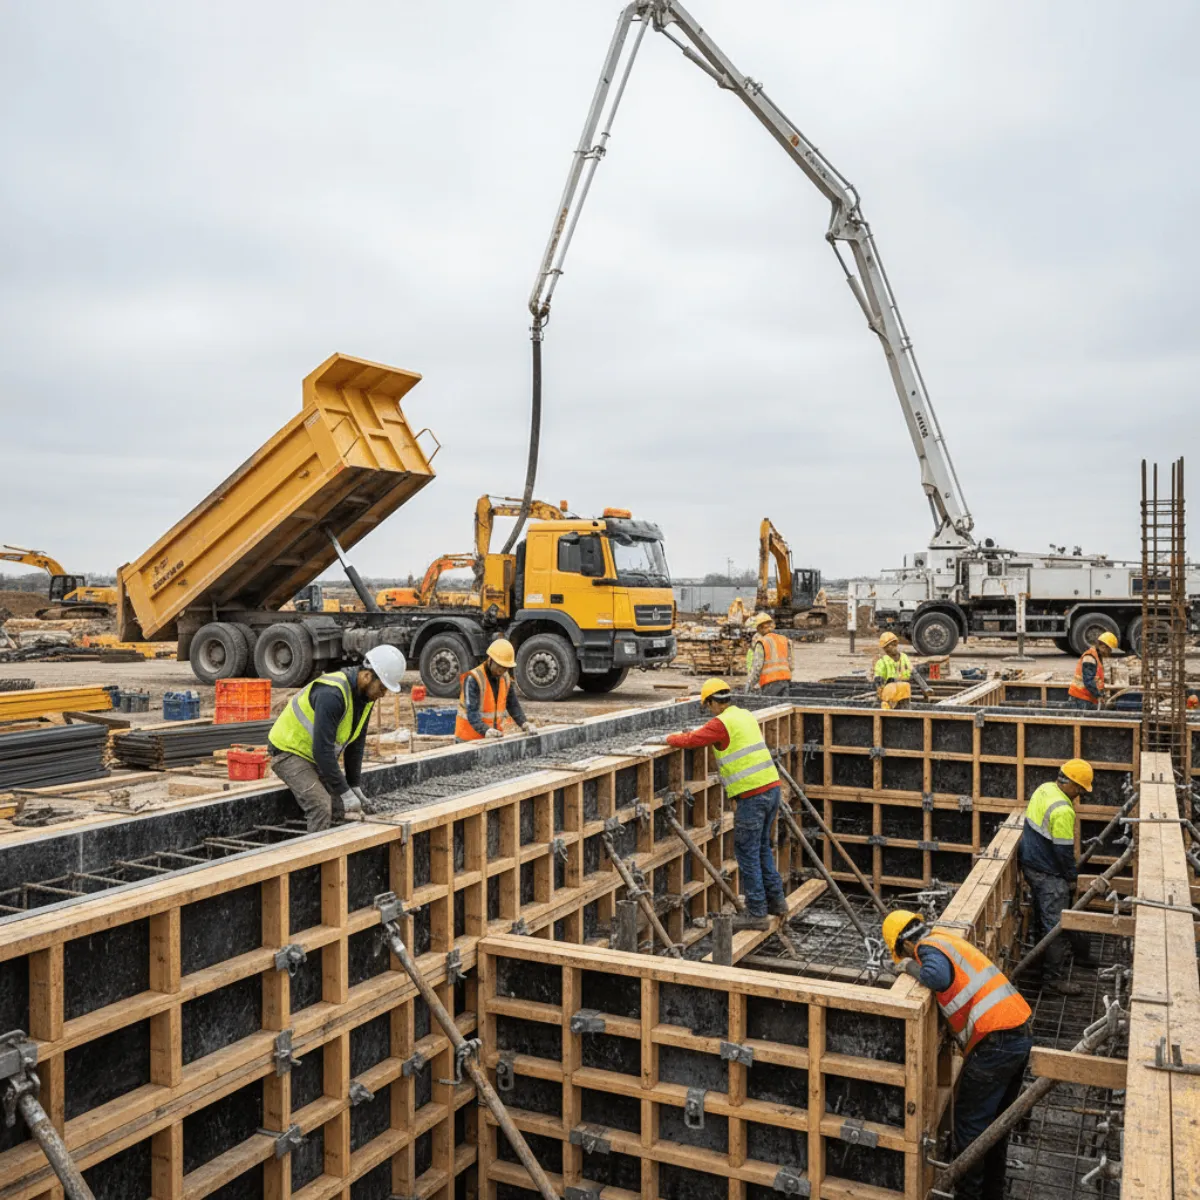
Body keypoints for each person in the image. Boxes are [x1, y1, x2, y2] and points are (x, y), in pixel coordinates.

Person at [883, 909, 1032, 1200]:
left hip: (996, 1042)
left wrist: (908, 969)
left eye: (903, 955)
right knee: (995, 1128)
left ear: (905, 944)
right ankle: (992, 1194)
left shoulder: (929, 948)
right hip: (1016, 1034)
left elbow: (935, 977)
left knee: (971, 1128)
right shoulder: (944, 939)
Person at [666, 678, 785, 930]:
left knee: (747, 852)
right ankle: (777, 901)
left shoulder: (721, 723)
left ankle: (756, 912)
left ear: (712, 702)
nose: (709, 711)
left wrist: (668, 738)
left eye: (707, 706)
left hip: (753, 796)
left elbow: (692, 740)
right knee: (762, 847)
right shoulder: (744, 715)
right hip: (772, 788)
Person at [267, 645, 406, 832]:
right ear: (366, 676)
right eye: (382, 687)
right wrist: (344, 791)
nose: (383, 694)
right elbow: (322, 751)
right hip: (288, 753)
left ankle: (333, 853)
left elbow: (356, 744)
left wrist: (354, 785)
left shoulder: (365, 698)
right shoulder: (332, 694)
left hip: (313, 754)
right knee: (321, 807)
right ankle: (314, 859)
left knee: (340, 805)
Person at [1019, 758, 1096, 995]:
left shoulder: (1044, 789)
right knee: (1057, 926)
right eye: (1081, 789)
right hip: (1048, 873)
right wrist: (1072, 878)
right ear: (1071, 784)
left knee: (1042, 918)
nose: (1081, 794)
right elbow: (1063, 852)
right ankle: (1052, 980)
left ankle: (1037, 963)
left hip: (1031, 865)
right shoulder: (1062, 810)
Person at [455, 639, 535, 741]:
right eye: (499, 666)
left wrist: (524, 723)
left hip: (491, 738)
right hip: (468, 739)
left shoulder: (505, 679)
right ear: (490, 659)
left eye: (505, 667)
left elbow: (513, 705)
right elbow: (472, 712)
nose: (501, 670)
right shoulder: (474, 678)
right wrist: (485, 730)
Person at [874, 632, 932, 707]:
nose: (890, 647)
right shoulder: (882, 661)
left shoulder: (904, 657)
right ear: (885, 649)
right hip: (890, 693)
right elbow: (879, 681)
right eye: (887, 646)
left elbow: (914, 673)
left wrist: (925, 688)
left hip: (904, 692)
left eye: (892, 644)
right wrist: (880, 697)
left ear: (895, 644)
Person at [745, 612, 794, 696]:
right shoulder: (784, 640)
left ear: (759, 628)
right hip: (785, 680)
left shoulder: (762, 642)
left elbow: (757, 667)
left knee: (770, 707)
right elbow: (791, 665)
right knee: (783, 707)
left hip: (770, 682)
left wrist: (749, 685)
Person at [1067, 632, 1117, 709]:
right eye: (1110, 650)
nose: (1110, 653)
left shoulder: (1097, 656)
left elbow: (1096, 678)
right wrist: (1098, 695)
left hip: (1086, 696)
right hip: (1081, 697)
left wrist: (1101, 693)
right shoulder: (1090, 657)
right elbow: (1088, 680)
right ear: (1103, 647)